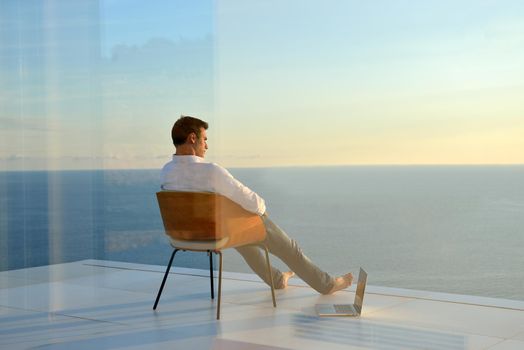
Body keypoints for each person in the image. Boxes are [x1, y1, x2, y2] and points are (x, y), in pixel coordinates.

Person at [161, 115, 353, 294]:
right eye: (205, 139)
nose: (207, 146)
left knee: (242, 235)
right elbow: (252, 201)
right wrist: (261, 210)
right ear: (193, 138)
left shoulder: (166, 172)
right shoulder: (210, 171)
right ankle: (326, 284)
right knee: (287, 245)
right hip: (214, 235)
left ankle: (277, 279)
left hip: (189, 236)